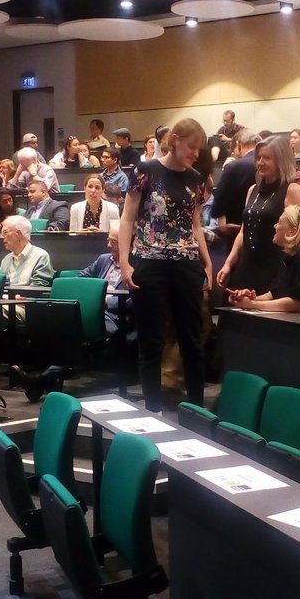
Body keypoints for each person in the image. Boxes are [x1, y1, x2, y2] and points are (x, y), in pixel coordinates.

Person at [118, 116, 213, 413]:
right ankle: (153, 409)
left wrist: (207, 263)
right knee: (152, 340)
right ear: (175, 141)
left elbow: (195, 225)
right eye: (192, 147)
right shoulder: (145, 170)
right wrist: (124, 260)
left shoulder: (196, 178)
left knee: (191, 339)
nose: (195, 154)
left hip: (186, 262)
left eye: (199, 150)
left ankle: (197, 410)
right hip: (148, 260)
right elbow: (127, 218)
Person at [217, 135, 300, 295]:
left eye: (267, 158)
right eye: (258, 158)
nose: (260, 162)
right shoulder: (252, 190)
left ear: (281, 160)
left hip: (274, 266)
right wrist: (228, 263)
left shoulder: (292, 190)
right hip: (247, 265)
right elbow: (243, 232)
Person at [78, 227, 130, 337]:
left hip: (114, 315)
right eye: (108, 240)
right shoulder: (104, 259)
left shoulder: (135, 267)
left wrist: (105, 301)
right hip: (91, 308)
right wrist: (91, 297)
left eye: (114, 242)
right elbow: (81, 278)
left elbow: (133, 300)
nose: (109, 245)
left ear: (127, 244)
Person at [210, 128, 259, 241]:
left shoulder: (234, 167)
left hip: (237, 234)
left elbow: (217, 208)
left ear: (238, 144)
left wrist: (225, 169)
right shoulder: (272, 164)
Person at [0, 215, 54, 287]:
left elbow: (38, 289)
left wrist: (20, 297)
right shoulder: (6, 259)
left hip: (24, 297)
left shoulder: (40, 256)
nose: (1, 236)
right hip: (4, 297)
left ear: (18, 234)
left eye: (5, 232)